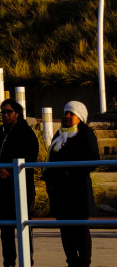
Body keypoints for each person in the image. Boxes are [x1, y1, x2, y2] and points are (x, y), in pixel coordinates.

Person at [42, 101, 99, 267]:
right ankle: (72, 262)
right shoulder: (59, 134)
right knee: (65, 230)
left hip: (78, 190)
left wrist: (71, 171)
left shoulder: (86, 134)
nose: (67, 116)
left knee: (81, 229)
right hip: (60, 191)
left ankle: (84, 262)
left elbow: (93, 160)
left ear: (79, 117)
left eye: (71, 114)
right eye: (66, 113)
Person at [0, 97, 39, 266]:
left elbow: (31, 156)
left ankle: (27, 260)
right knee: (5, 226)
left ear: (17, 113)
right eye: (3, 112)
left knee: (24, 224)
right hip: (1, 187)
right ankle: (8, 261)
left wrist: (12, 171)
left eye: (9, 112)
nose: (5, 115)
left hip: (22, 186)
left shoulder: (26, 132)